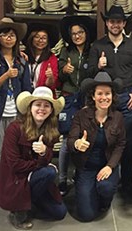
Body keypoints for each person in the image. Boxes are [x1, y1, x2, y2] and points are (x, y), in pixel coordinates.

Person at [87, 5, 132, 196]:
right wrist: (97, 66)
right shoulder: (97, 46)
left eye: (118, 21)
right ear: (106, 23)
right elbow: (87, 75)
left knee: (128, 142)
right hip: (104, 99)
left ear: (124, 23)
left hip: (128, 99)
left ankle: (127, 181)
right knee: (104, 141)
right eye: (112, 21)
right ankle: (106, 180)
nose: (115, 24)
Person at [0, 86, 67, 229]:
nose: (41, 109)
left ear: (51, 110)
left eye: (46, 106)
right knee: (49, 172)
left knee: (60, 213)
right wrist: (40, 163)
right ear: (30, 107)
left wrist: (44, 152)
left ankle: (29, 203)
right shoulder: (14, 129)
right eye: (38, 104)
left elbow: (47, 159)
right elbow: (15, 165)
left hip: (34, 177)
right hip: (15, 179)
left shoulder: (50, 130)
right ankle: (19, 210)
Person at [67, 72, 125, 221]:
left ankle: (103, 198)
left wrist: (110, 166)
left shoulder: (118, 117)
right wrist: (77, 143)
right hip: (86, 167)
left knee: (105, 188)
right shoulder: (81, 115)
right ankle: (85, 187)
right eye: (100, 93)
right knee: (86, 216)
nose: (104, 97)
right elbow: (70, 139)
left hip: (106, 165)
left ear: (112, 96)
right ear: (93, 96)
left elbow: (120, 144)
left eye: (107, 93)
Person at [0, 17, 32, 182]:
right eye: (5, 34)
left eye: (12, 34)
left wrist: (26, 113)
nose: (9, 38)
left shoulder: (22, 61)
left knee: (16, 149)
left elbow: (27, 90)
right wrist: (6, 75)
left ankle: (14, 181)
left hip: (17, 112)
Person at [57, 15, 96, 195]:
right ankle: (62, 178)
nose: (77, 36)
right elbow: (60, 77)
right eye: (73, 34)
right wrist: (64, 70)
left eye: (80, 32)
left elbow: (95, 74)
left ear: (86, 33)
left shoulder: (93, 51)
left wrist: (100, 66)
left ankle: (81, 175)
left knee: (86, 137)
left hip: (87, 99)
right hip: (69, 96)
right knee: (67, 138)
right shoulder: (66, 52)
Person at [24, 23, 60, 95]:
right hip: (25, 95)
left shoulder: (52, 58)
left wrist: (50, 77)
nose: (40, 40)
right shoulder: (23, 56)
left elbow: (51, 85)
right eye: (37, 37)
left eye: (44, 38)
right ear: (31, 38)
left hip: (43, 96)